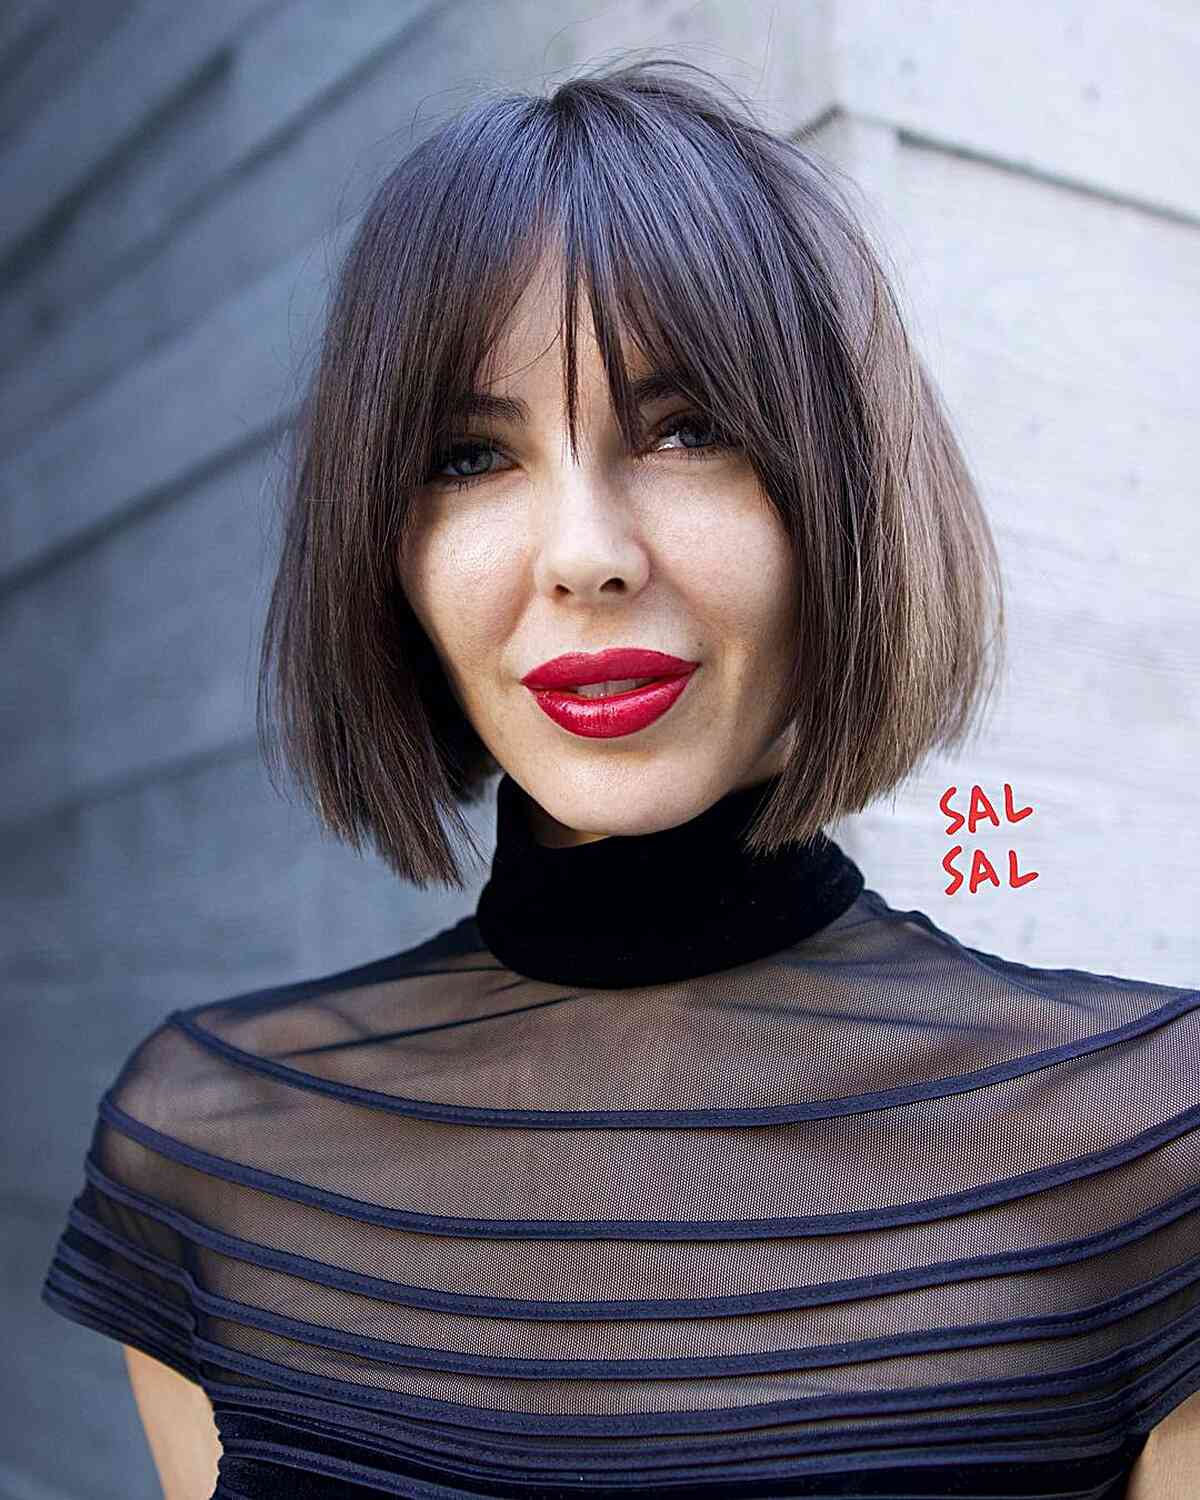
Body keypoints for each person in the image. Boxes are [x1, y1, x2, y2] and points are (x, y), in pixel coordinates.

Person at [41, 56, 1199, 1499]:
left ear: (838, 500)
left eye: (686, 430)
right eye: (471, 455)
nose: (586, 552)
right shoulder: (209, 1147)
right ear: (381, 550)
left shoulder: (1149, 1149)